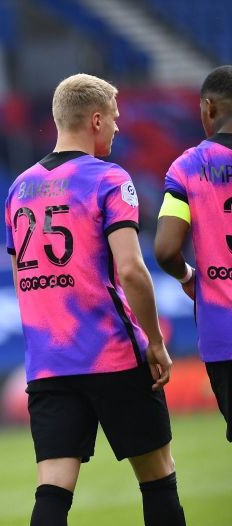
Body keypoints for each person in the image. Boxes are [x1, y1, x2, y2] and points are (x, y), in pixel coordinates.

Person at [4, 74, 187, 526]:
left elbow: (21, 283)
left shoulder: (19, 189)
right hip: (112, 354)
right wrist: (156, 342)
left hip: (49, 362)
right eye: (116, 120)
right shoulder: (109, 178)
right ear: (96, 119)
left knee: (53, 488)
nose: (119, 129)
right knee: (157, 476)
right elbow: (130, 269)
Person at [154, 65, 232, 444]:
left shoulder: (189, 167)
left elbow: (166, 249)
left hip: (224, 335)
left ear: (208, 108)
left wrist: (189, 278)